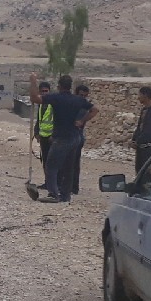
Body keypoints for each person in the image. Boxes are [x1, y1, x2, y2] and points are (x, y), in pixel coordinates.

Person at [29, 72, 97, 203]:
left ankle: (53, 194)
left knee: (51, 166)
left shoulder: (56, 98)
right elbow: (95, 110)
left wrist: (33, 82)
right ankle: (65, 195)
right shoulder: (78, 100)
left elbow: (34, 98)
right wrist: (82, 121)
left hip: (61, 138)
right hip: (75, 137)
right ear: (70, 87)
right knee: (69, 167)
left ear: (59, 86)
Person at [131, 86, 151, 174]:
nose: (138, 97)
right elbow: (140, 127)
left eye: (139, 94)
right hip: (141, 147)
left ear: (145, 95)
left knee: (146, 173)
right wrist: (134, 140)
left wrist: (138, 142)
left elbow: (149, 132)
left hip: (148, 148)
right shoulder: (144, 110)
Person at [33, 81, 54, 194]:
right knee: (45, 160)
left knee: (52, 162)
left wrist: (54, 135)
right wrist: (36, 133)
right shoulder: (41, 104)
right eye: (43, 91)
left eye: (46, 91)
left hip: (52, 138)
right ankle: (47, 182)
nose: (45, 93)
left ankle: (53, 184)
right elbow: (39, 119)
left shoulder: (53, 104)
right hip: (43, 137)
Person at [72, 84, 90, 195]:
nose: (83, 98)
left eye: (85, 96)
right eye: (81, 95)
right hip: (72, 136)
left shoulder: (83, 108)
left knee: (74, 163)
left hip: (77, 136)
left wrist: (81, 121)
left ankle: (74, 187)